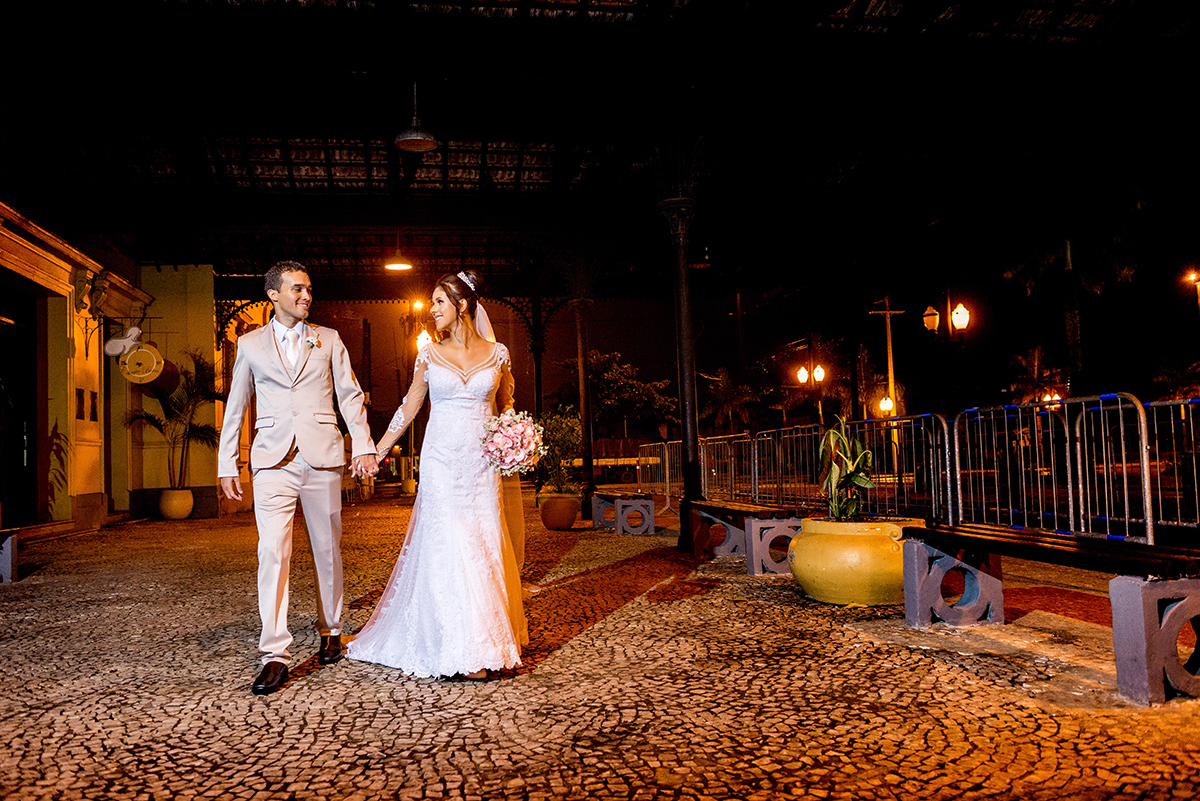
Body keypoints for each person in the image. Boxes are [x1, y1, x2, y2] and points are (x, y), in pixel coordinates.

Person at [348, 269, 527, 679]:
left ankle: (490, 644)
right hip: (441, 461)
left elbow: (507, 402)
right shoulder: (428, 354)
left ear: (461, 305)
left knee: (482, 544)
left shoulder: (498, 353)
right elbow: (409, 407)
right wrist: (379, 448)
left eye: (439, 302)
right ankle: (458, 649)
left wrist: (516, 437)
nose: (432, 310)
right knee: (451, 543)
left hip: (481, 464)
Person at [217, 260, 378, 695]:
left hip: (322, 456)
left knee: (328, 550)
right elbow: (236, 405)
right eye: (297, 290)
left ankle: (331, 630)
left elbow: (349, 394)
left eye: (309, 290)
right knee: (272, 552)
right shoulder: (249, 345)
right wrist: (226, 462)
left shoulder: (329, 340)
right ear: (274, 294)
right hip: (272, 461)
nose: (306, 297)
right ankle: (274, 653)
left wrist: (362, 443)